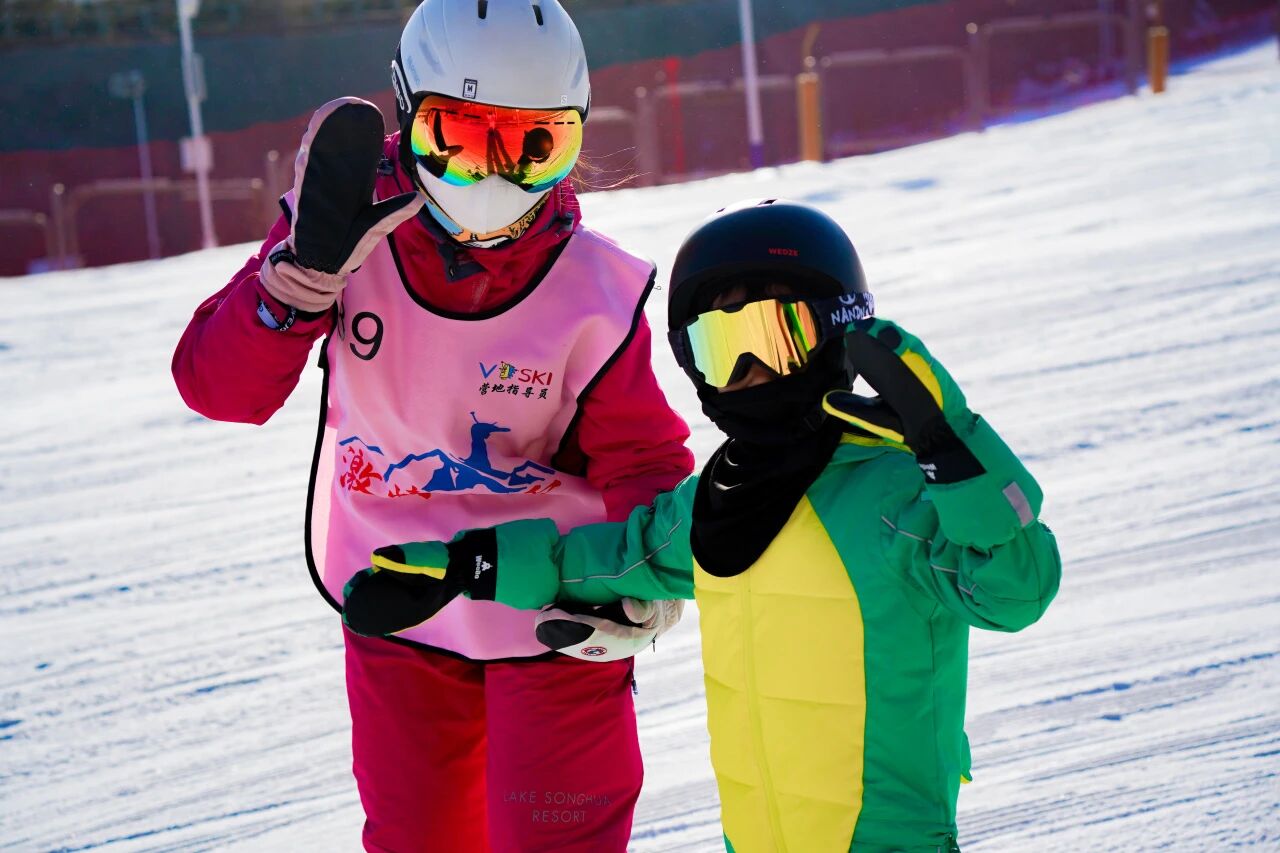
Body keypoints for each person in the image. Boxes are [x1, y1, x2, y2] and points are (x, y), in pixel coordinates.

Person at [343, 199, 1063, 852]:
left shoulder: (898, 494)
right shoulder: (718, 498)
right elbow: (605, 557)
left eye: (777, 337)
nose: (749, 371)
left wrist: (950, 445)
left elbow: (1016, 588)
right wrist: (467, 565)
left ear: (841, 333)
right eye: (720, 349)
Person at [171, 1, 694, 850]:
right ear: (408, 111)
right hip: (398, 606)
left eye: (532, 147)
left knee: (558, 836)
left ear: (574, 136)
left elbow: (645, 457)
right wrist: (287, 292)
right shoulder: (342, 234)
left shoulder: (591, 290)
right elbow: (218, 388)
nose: (492, 179)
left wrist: (640, 572)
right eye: (458, 135)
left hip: (549, 609)